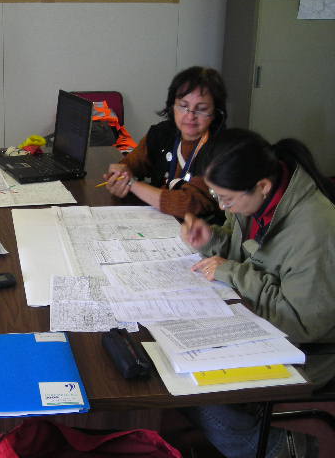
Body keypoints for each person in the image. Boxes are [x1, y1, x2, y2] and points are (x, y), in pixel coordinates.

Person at [179, 128, 335, 458]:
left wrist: (231, 271)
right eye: (216, 195)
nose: (223, 207)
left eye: (228, 199)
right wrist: (210, 240)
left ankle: (284, 449)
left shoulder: (316, 229)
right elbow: (247, 252)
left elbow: (304, 324)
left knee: (191, 393)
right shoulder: (262, 197)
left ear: (262, 186)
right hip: (256, 320)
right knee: (176, 374)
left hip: (310, 349)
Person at [103, 66, 227, 223]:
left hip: (201, 236)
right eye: (183, 106)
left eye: (201, 109)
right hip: (159, 224)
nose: (190, 116)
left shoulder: (222, 150)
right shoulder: (161, 133)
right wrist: (119, 176)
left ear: (216, 113)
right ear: (172, 105)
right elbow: (130, 164)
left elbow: (189, 204)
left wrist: (132, 184)